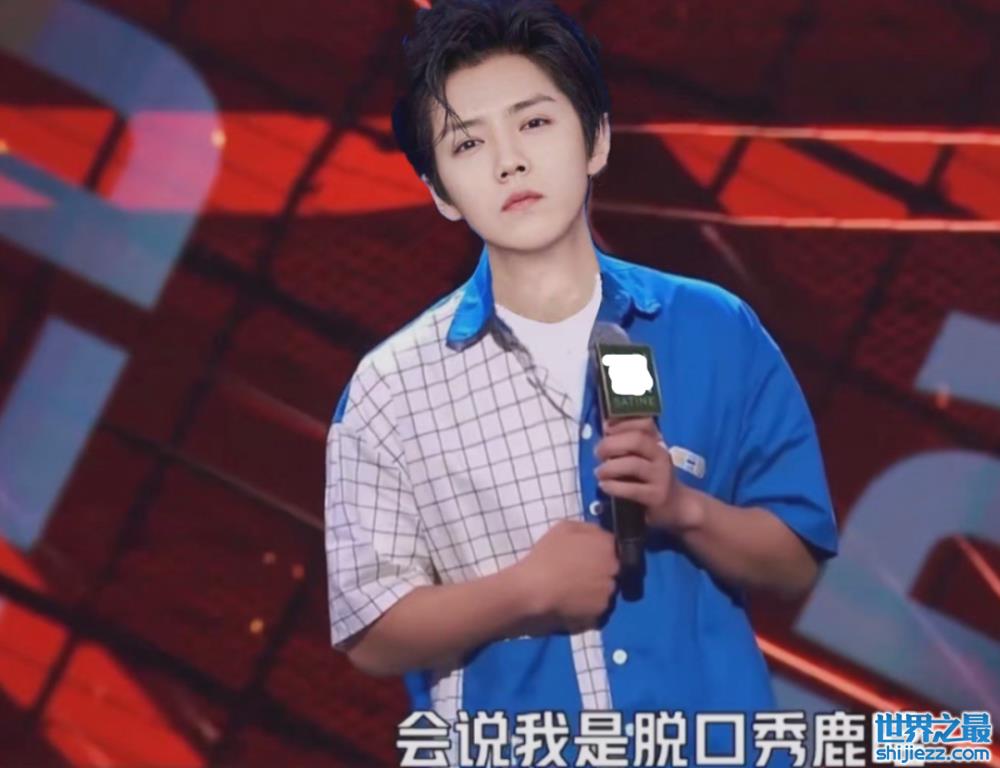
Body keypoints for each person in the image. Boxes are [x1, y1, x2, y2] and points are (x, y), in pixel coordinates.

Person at [324, 1, 839, 765]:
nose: (509, 162)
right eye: (468, 143)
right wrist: (527, 591)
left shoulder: (714, 329)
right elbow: (370, 630)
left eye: (534, 123)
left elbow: (797, 559)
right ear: (440, 191)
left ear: (595, 139)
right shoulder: (392, 388)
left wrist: (684, 509)